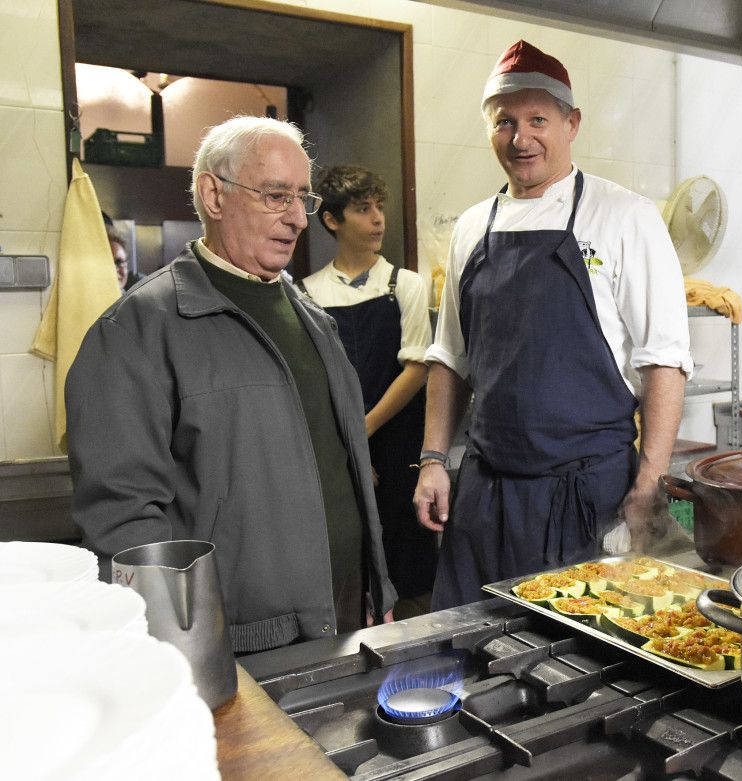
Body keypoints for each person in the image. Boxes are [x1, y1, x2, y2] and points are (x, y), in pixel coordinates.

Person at [66, 116, 397, 653]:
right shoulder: (137, 331)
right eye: (275, 196)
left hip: (347, 615)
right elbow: (122, 521)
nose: (296, 219)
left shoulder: (312, 319)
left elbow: (344, 471)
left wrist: (376, 585)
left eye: (301, 199)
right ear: (213, 195)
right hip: (239, 644)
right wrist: (188, 649)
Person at [413, 40, 693, 610]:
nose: (521, 139)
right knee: (465, 645)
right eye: (505, 123)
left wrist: (647, 487)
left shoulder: (624, 217)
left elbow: (663, 360)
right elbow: (449, 358)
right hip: (485, 493)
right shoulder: (472, 227)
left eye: (538, 119)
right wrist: (434, 461)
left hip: (586, 495)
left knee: (575, 661)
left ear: (572, 124)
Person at [300, 165, 437, 618]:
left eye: (379, 208)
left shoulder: (405, 284)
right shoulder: (308, 293)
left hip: (400, 448)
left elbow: (417, 367)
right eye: (363, 210)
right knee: (350, 564)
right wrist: (350, 443)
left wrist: (366, 430)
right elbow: (313, 382)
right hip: (339, 446)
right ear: (332, 220)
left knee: (409, 568)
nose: (378, 219)